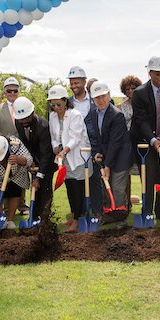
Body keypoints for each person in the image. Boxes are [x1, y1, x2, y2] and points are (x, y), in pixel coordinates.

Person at [130, 56, 160, 224]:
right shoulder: (140, 93)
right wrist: (152, 140)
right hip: (146, 141)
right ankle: (147, 212)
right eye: (158, 74)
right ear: (150, 73)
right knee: (149, 178)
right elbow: (140, 120)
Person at [85, 82, 133, 228]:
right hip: (107, 155)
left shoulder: (116, 115)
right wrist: (98, 152)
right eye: (97, 97)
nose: (101, 100)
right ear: (93, 99)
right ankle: (110, 216)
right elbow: (98, 137)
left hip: (121, 157)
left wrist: (108, 165)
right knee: (106, 189)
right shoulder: (93, 114)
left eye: (103, 96)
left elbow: (115, 143)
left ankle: (121, 220)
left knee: (117, 189)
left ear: (109, 95)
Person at [47, 85, 90, 232]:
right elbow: (53, 137)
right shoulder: (52, 116)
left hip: (78, 157)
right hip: (64, 158)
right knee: (70, 188)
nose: (56, 107)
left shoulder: (75, 115)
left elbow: (75, 138)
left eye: (58, 104)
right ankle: (73, 216)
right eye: (52, 104)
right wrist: (56, 147)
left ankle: (78, 220)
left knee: (78, 188)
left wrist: (64, 150)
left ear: (65, 101)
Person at [0, 76, 28, 213]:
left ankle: (22, 205)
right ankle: (5, 205)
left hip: (21, 148)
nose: (12, 94)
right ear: (5, 92)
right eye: (9, 91)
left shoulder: (24, 107)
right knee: (4, 176)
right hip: (3, 148)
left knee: (21, 175)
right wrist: (4, 140)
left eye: (15, 91)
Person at [14, 96, 55, 219]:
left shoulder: (43, 127)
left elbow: (45, 155)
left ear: (32, 112)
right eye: (21, 119)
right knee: (35, 190)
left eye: (26, 118)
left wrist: (39, 176)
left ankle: (45, 218)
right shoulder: (18, 122)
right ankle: (34, 217)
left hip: (47, 162)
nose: (24, 121)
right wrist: (30, 162)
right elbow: (25, 144)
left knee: (44, 190)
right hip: (34, 161)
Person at [67, 66, 101, 215]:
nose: (74, 86)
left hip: (94, 146)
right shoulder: (67, 103)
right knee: (76, 181)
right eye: (71, 83)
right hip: (74, 148)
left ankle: (97, 211)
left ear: (84, 81)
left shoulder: (95, 100)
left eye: (77, 83)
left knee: (95, 179)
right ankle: (78, 212)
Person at [117, 75, 142, 205]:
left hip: (141, 142)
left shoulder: (143, 104)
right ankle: (126, 203)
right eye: (127, 89)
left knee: (144, 173)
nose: (131, 91)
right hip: (126, 143)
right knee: (125, 175)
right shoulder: (120, 106)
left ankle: (147, 205)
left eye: (133, 88)